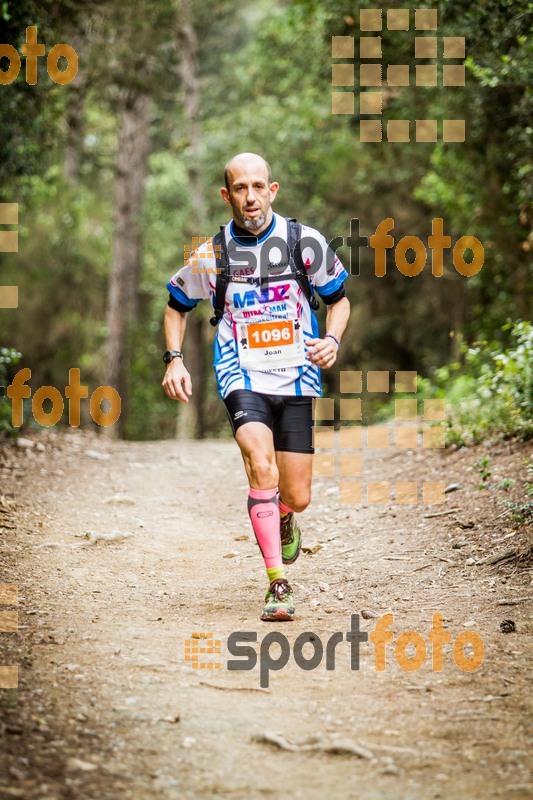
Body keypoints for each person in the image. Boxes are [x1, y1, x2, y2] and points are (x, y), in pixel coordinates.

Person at [162, 152, 350, 621]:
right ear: (227, 196)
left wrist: (332, 339)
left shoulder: (303, 242)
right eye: (240, 189)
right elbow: (175, 306)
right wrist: (175, 360)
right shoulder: (212, 255)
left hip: (297, 375)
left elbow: (340, 302)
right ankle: (277, 583)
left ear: (273, 189)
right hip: (240, 373)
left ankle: (284, 515)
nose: (250, 197)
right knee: (259, 465)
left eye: (258, 186)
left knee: (298, 495)